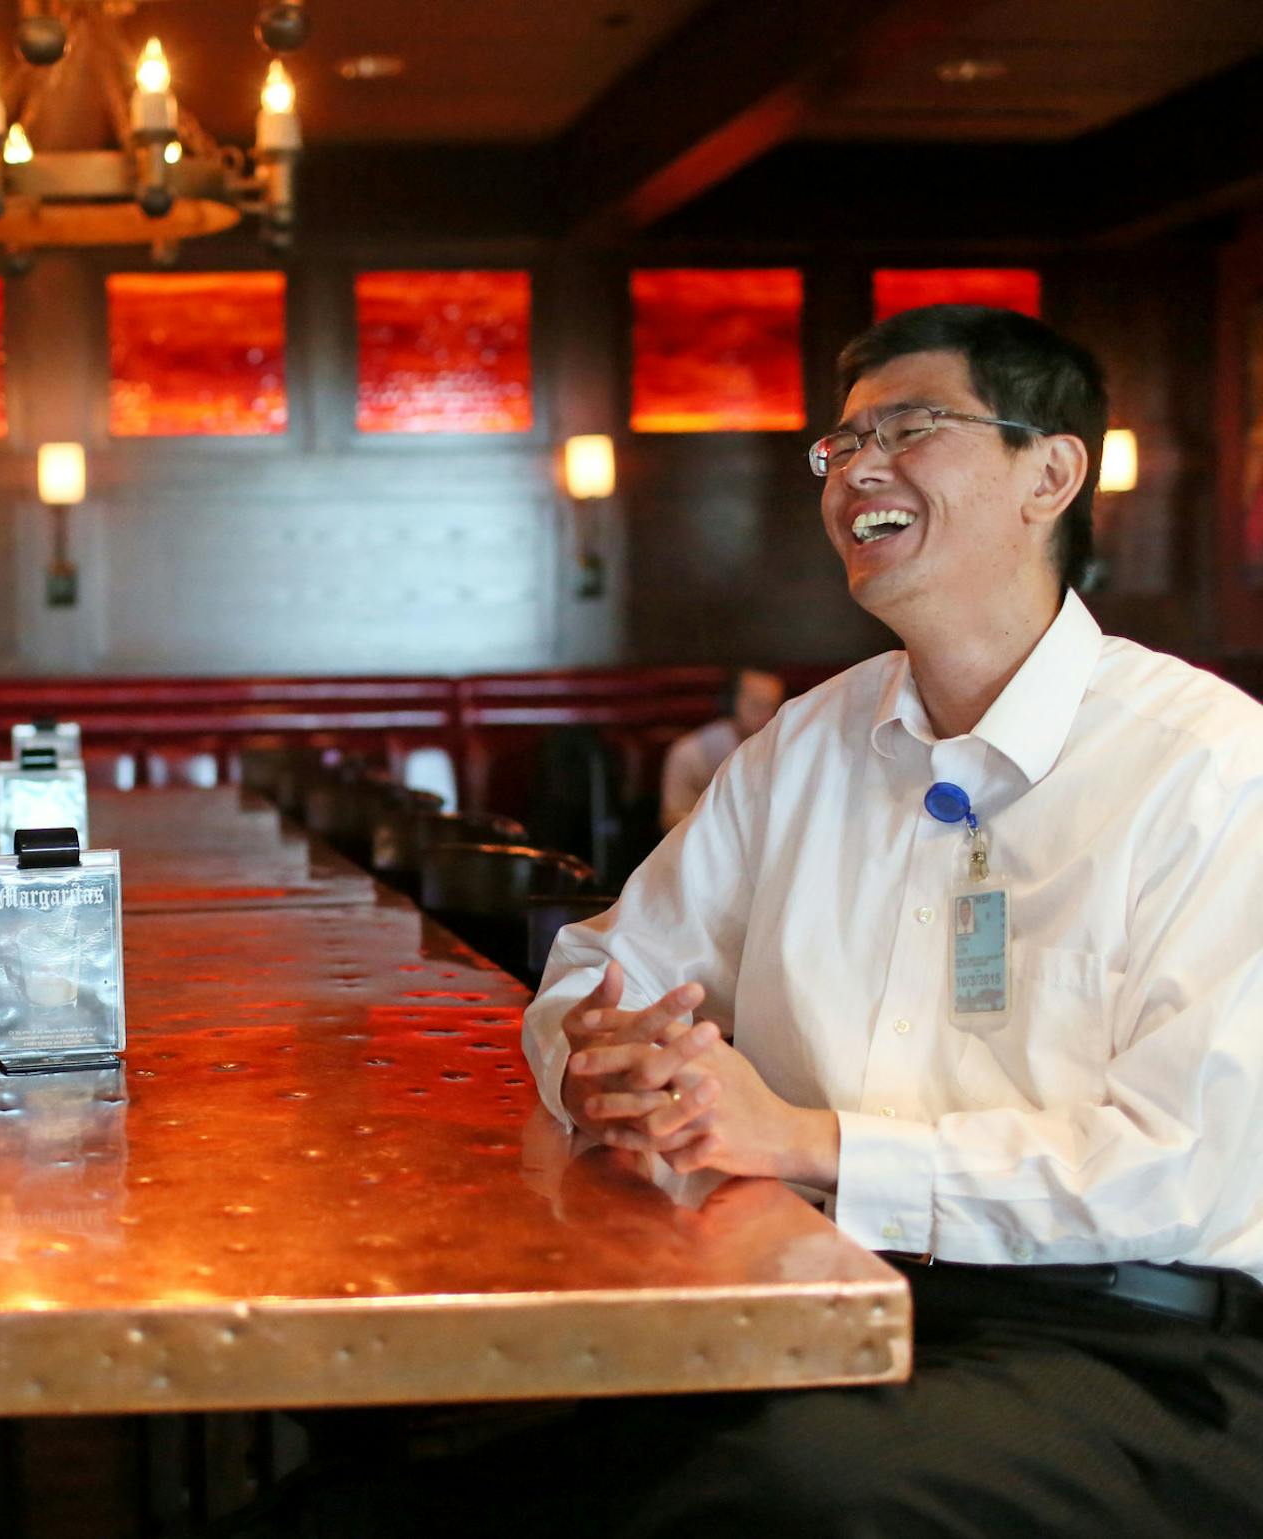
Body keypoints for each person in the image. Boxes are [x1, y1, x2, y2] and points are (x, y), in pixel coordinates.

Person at [513, 304, 1263, 1535]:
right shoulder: (805, 746)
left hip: (1129, 1341)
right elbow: (597, 968)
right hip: (805, 1292)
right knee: (471, 1468)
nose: (859, 468)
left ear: (1051, 472)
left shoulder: (1211, 768)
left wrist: (809, 1142)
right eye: (842, 442)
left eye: (911, 428)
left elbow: (1181, 1168)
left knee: (799, 1496)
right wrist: (604, 1060)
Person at [657, 667, 783, 830]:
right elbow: (671, 819)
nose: (768, 716)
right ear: (730, 703)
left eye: (774, 708)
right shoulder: (689, 753)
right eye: (756, 705)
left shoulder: (785, 749)